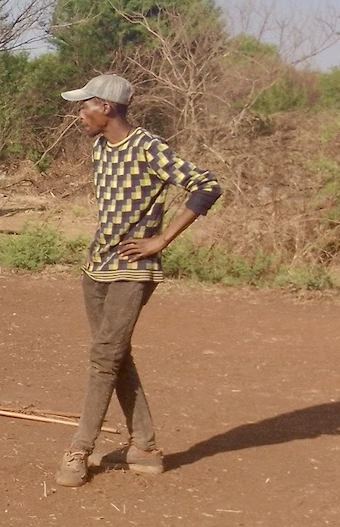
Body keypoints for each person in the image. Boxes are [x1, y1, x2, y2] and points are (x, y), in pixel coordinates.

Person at [55, 73, 221, 486]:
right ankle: (144, 447)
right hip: (97, 265)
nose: (80, 115)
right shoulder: (98, 147)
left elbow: (207, 185)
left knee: (104, 357)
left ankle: (80, 448)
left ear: (105, 107)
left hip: (134, 268)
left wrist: (161, 238)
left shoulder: (148, 147)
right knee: (113, 354)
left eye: (85, 106)